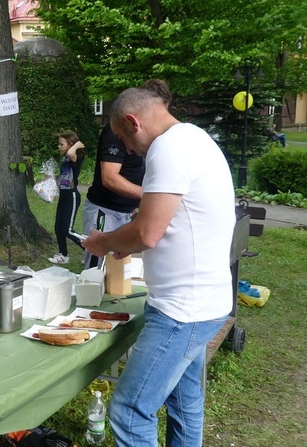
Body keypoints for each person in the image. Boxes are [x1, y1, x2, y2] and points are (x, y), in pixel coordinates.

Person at [82, 88, 235, 446]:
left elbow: (148, 234)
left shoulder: (169, 149)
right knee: (185, 402)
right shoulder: (194, 138)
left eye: (123, 138)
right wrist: (127, 241)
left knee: (130, 410)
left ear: (133, 122)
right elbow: (167, 225)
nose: (129, 150)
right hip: (202, 301)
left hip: (183, 310)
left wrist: (104, 242)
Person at [81, 79, 171, 268]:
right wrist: (149, 196)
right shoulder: (117, 129)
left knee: (121, 270)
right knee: (97, 269)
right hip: (106, 210)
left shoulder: (167, 144)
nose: (129, 150)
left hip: (127, 212)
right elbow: (109, 177)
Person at [47, 131, 86, 264]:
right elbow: (64, 177)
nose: (59, 146)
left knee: (67, 230)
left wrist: (77, 145)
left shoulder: (75, 157)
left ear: (71, 145)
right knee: (58, 227)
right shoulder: (64, 159)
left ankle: (91, 249)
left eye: (61, 144)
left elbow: (71, 153)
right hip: (63, 197)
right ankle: (63, 255)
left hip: (72, 196)